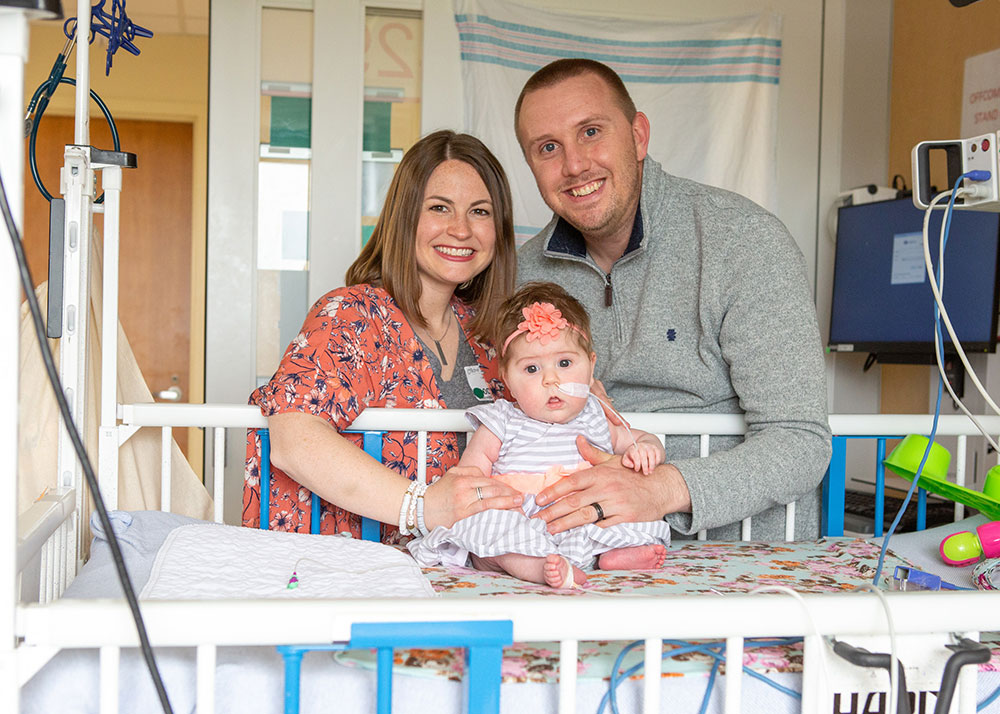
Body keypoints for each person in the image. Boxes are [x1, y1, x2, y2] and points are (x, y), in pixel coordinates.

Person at [513, 59, 832, 542]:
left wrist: (659, 490)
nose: (574, 165)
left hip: (736, 558)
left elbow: (799, 441)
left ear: (639, 136)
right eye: (548, 148)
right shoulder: (521, 273)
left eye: (592, 131)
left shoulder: (743, 240)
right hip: (576, 557)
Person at [243, 130, 524, 541]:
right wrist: (423, 508)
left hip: (460, 575)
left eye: (480, 212)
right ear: (404, 216)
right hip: (355, 576)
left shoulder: (489, 337)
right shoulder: (352, 316)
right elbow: (294, 439)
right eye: (439, 207)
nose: (461, 229)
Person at [408, 282, 671, 589]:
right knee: (490, 529)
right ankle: (535, 567)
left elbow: (642, 439)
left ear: (591, 366)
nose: (551, 379)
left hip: (583, 514)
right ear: (507, 378)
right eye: (532, 369)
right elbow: (470, 477)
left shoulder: (598, 417)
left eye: (564, 363)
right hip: (521, 517)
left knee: (631, 513)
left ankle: (613, 555)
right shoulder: (502, 420)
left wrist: (646, 450)